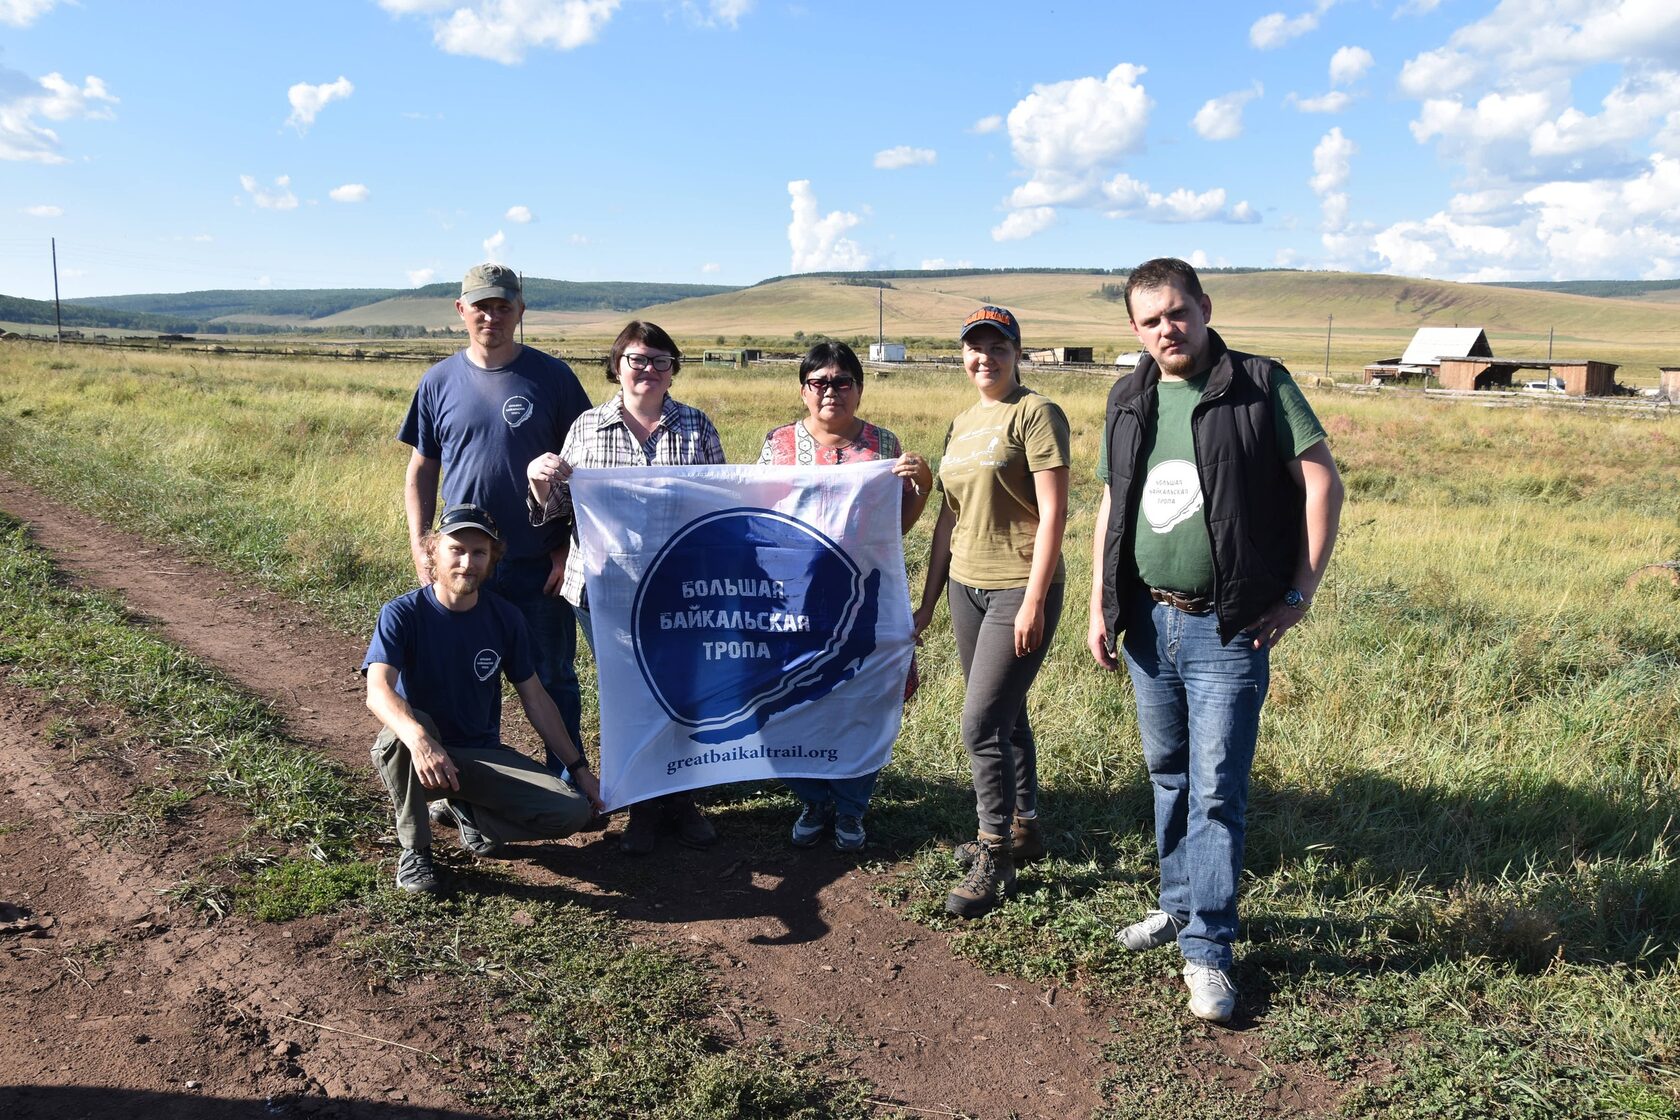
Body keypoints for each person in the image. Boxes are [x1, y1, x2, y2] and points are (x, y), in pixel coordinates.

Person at [1086, 257, 1344, 1023]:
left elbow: (1322, 480)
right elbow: (1112, 500)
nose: (1167, 328)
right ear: (1134, 328)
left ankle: (1209, 951)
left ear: (1203, 307)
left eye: (1177, 312)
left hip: (1226, 628)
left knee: (1216, 790)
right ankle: (1177, 907)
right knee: (1168, 774)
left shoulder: (1258, 383)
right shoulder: (1128, 395)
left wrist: (1299, 594)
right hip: (1146, 622)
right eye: (1150, 319)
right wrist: (1101, 602)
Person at [526, 320, 726, 856]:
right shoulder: (587, 428)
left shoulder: (697, 428)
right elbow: (557, 511)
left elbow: (719, 506)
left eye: (660, 361)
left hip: (678, 592)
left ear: (673, 369)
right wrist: (541, 481)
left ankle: (680, 798)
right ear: (617, 366)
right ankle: (641, 803)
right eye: (637, 359)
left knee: (680, 692)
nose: (648, 370)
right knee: (627, 697)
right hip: (603, 592)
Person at [399, 263, 592, 773]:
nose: (492, 315)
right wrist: (423, 544)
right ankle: (465, 780)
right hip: (463, 563)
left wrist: (567, 549)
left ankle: (565, 778)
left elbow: (584, 470)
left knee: (552, 676)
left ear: (520, 311)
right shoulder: (438, 381)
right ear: (461, 310)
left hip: (538, 564)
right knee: (460, 676)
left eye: (504, 305)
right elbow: (422, 469)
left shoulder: (553, 378)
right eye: (481, 305)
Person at [913, 306, 1070, 919]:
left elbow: (1055, 511)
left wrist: (1034, 596)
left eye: (997, 346)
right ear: (963, 355)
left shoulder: (1036, 413)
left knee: (979, 725)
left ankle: (993, 849)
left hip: (1016, 586)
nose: (985, 357)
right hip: (965, 584)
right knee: (1007, 713)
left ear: (1016, 351)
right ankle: (1025, 827)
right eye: (975, 348)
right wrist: (928, 598)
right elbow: (948, 516)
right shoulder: (962, 421)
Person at [364, 504, 605, 894]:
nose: (467, 562)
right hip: (419, 759)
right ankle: (416, 851)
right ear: (433, 551)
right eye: (456, 550)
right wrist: (421, 741)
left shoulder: (505, 618)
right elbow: (378, 691)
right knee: (398, 737)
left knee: (572, 811)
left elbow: (537, 700)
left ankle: (471, 816)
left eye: (479, 552)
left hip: (479, 755)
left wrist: (579, 770)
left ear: (493, 558)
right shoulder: (402, 613)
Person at [756, 340, 933, 852]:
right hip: (794, 598)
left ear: (859, 388)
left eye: (841, 382)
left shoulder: (883, 446)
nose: (830, 392)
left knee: (863, 700)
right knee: (793, 702)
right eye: (819, 383)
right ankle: (812, 798)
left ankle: (853, 806)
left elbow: (895, 528)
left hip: (864, 597)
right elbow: (761, 518)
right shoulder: (779, 444)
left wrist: (920, 483)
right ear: (803, 389)